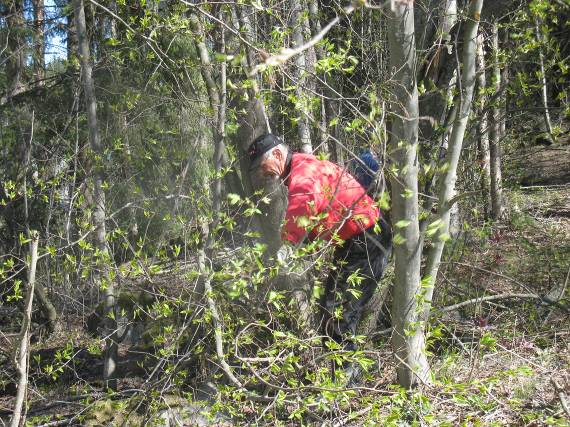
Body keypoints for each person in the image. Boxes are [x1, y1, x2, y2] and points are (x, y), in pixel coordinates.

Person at [248, 133, 392, 379]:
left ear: (278, 155)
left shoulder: (303, 174)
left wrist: (288, 243)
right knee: (333, 309)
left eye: (263, 166)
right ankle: (349, 374)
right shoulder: (305, 166)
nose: (263, 173)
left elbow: (305, 202)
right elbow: (322, 210)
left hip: (367, 240)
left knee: (339, 311)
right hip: (357, 240)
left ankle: (347, 382)